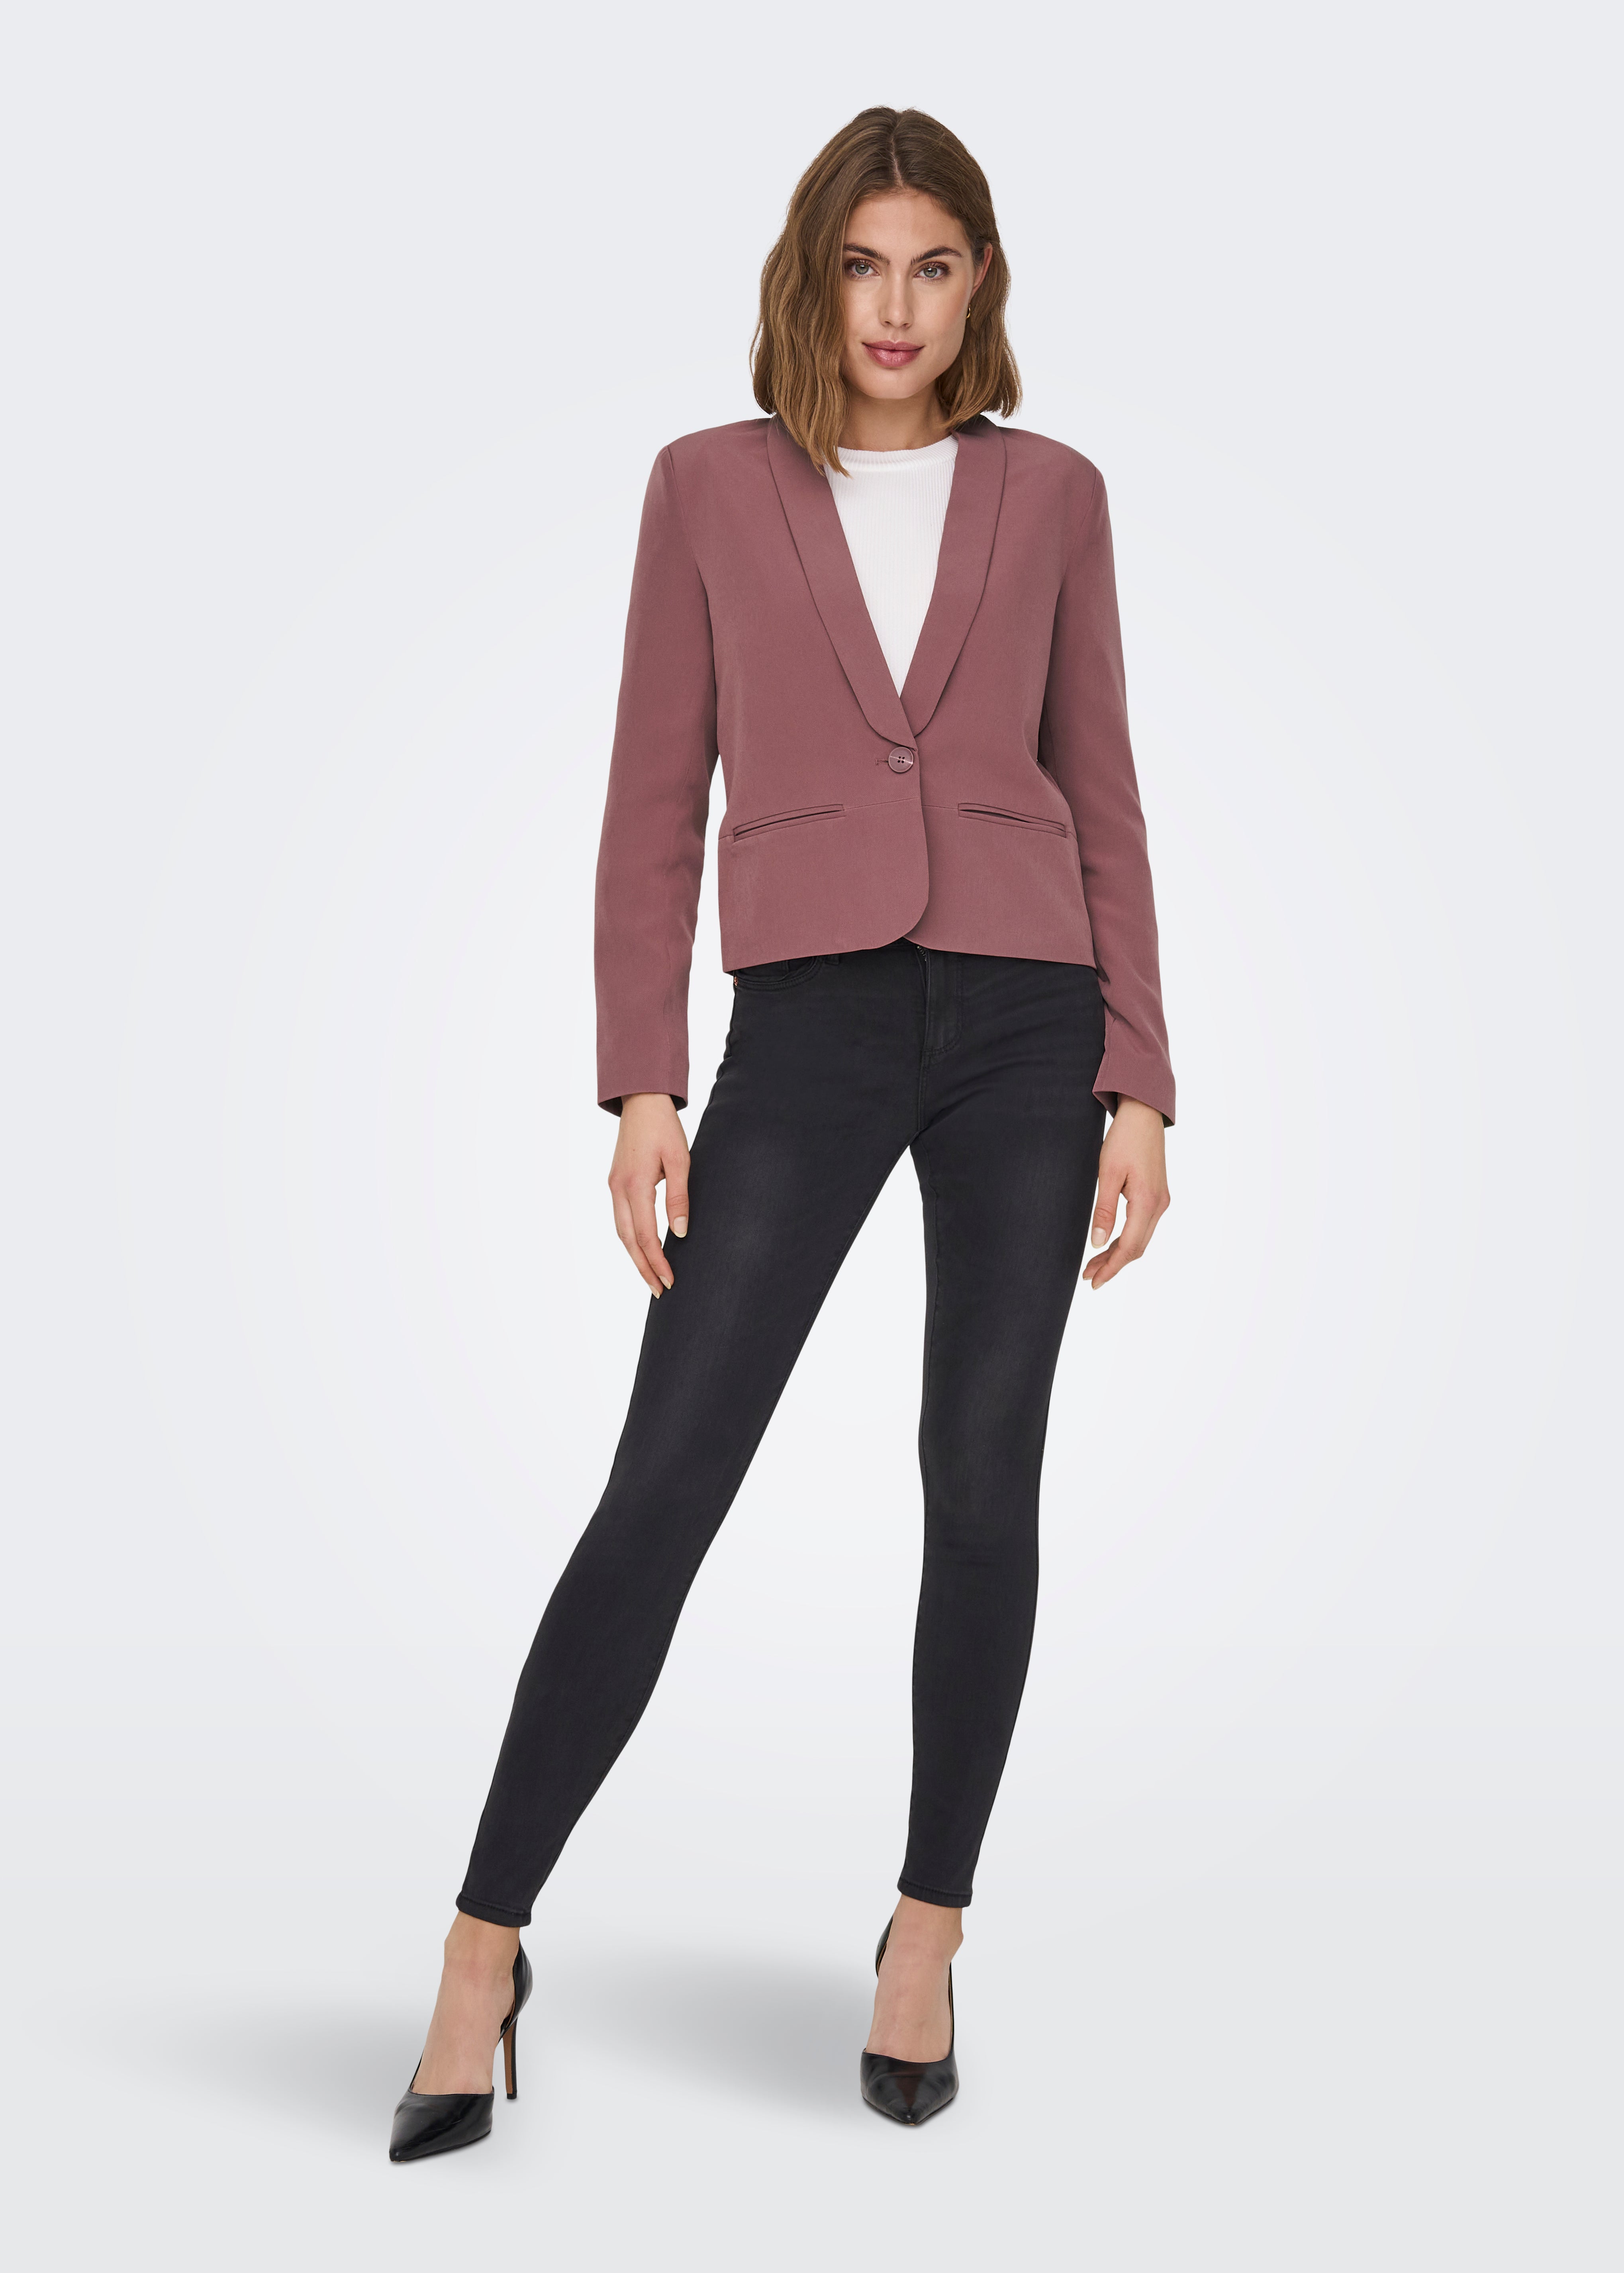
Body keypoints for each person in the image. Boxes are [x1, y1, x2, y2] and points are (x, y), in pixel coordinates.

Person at [390, 104, 1174, 2160]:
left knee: (980, 1476)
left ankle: (927, 1930)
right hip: (808, 1022)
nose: (896, 307)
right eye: (861, 265)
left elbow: (1102, 788)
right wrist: (642, 1076)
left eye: (935, 266)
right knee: (668, 1477)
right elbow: (653, 796)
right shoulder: (708, 487)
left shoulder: (1057, 495)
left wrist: (1141, 1077)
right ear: (809, 279)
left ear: (979, 286)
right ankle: (482, 1944)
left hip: (1028, 1021)